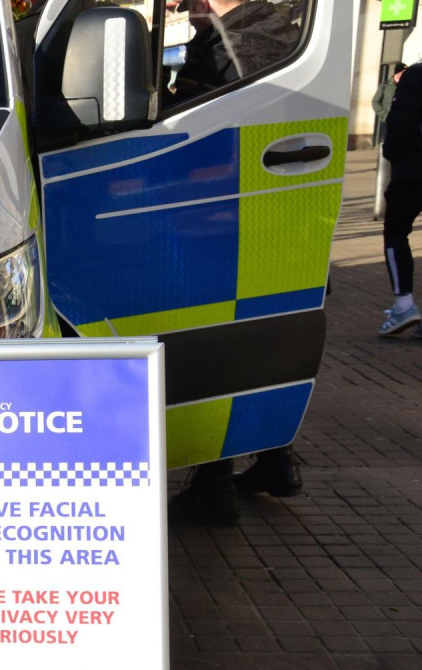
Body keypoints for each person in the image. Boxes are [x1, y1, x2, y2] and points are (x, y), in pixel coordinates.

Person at [166, 0, 303, 526]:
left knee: (213, 341)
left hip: (223, 212)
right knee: (261, 341)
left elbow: (197, 127)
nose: (182, 6)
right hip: (278, 217)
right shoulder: (279, 34)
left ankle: (215, 486)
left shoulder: (230, 43)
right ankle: (276, 462)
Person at [167, 0, 301, 105]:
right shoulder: (281, 27)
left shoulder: (219, 56)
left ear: (200, 6)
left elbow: (187, 117)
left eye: (190, 9)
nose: (191, 20)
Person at [380, 64, 422, 336]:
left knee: (395, 233)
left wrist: (392, 153)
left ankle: (404, 305)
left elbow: (400, 125)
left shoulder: (416, 76)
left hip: (412, 172)